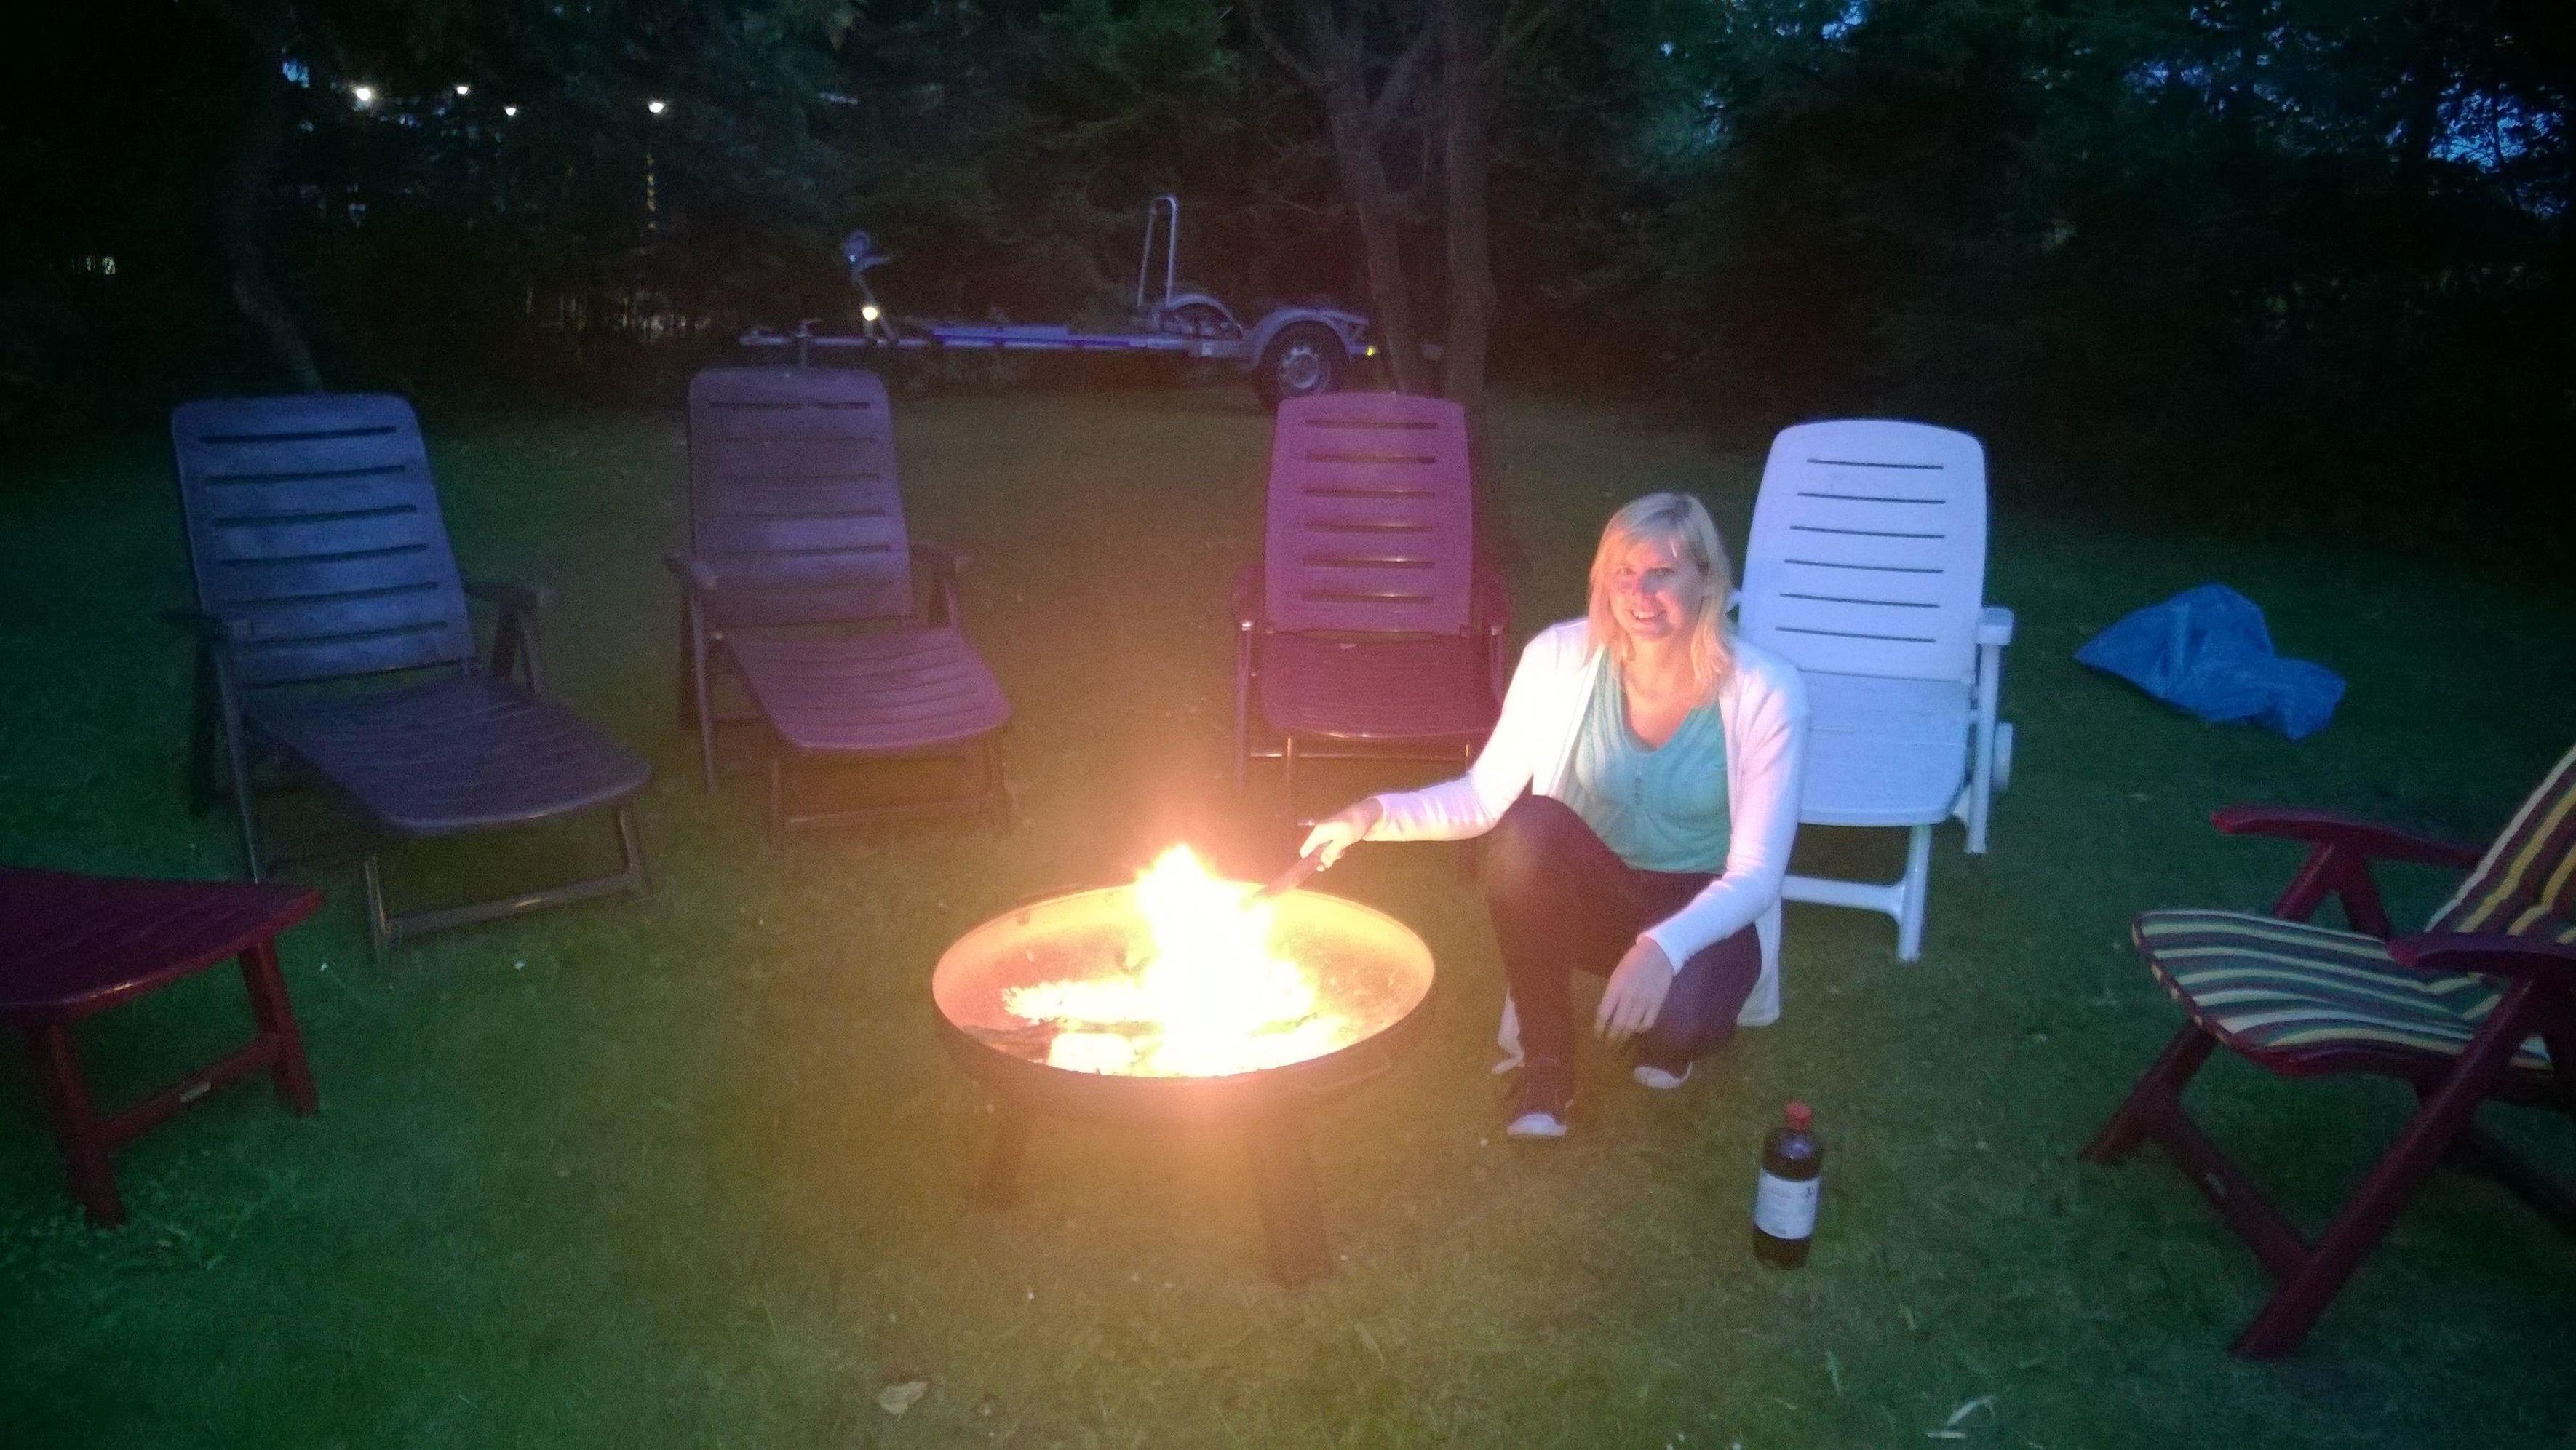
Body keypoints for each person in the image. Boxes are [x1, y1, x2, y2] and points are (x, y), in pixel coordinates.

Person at [1299, 492, 1807, 1139]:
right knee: (1527, 831)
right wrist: (1370, 814)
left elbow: (1757, 874)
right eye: (1624, 572)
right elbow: (1482, 797)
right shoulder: (1559, 658)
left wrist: (1664, 946)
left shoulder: (1767, 690)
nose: (1640, 594)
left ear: (1707, 581)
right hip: (1599, 888)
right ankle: (1546, 1065)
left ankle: (1667, 1034)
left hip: (1707, 906)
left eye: (1662, 572)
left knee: (1679, 1023)